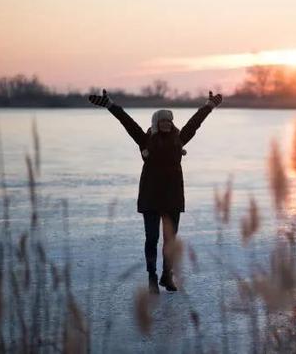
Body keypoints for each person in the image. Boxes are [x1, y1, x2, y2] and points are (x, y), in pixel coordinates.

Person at [88, 89, 223, 293]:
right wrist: (110, 105)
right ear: (156, 123)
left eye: (169, 121)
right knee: (152, 239)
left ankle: (167, 276)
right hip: (150, 196)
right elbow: (128, 122)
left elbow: (195, 123)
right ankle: (152, 276)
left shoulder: (180, 138)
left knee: (170, 240)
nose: (166, 124)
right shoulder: (146, 139)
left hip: (173, 197)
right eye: (162, 121)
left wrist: (209, 106)